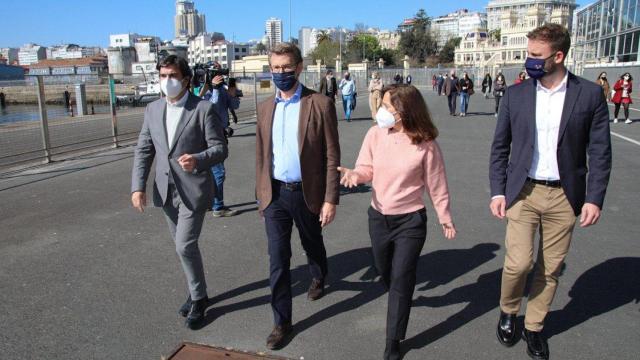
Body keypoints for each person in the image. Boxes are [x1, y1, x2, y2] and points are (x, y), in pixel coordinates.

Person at [489, 24, 612, 360]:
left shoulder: (588, 95)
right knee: (518, 264)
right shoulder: (516, 95)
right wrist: (497, 191)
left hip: (564, 195)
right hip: (522, 192)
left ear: (558, 56)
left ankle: (535, 326)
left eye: (535, 56)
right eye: (528, 53)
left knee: (550, 267)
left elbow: (600, 151)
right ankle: (509, 310)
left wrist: (594, 197)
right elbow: (500, 147)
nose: (528, 60)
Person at [338, 84, 456, 360]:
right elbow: (367, 167)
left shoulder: (425, 143)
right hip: (378, 217)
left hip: (410, 221)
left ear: (404, 111)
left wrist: (444, 216)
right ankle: (399, 298)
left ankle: (393, 340)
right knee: (385, 271)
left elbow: (436, 184)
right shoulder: (375, 134)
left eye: (388, 107)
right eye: (382, 106)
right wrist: (356, 175)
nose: (382, 111)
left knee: (402, 279)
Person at [131, 55, 228, 329]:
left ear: (186, 80)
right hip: (165, 190)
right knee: (182, 248)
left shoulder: (203, 109)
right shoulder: (152, 109)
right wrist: (137, 187)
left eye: (172, 76)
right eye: (162, 75)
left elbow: (220, 148)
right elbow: (144, 150)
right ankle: (198, 291)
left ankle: (198, 299)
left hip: (193, 188)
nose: (166, 81)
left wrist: (198, 158)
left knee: (184, 245)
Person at [255, 43, 340, 350]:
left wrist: (331, 198)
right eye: (275, 68)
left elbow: (332, 154)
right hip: (275, 194)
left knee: (311, 241)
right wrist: (260, 195)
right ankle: (282, 321)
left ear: (300, 67)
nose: (281, 73)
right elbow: (261, 157)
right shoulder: (265, 108)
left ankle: (319, 274)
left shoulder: (319, 104)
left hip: (307, 192)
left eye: (287, 67)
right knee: (278, 259)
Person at [202, 62, 241, 217]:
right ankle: (218, 207)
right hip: (209, 137)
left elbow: (235, 105)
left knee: (213, 172)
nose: (219, 76)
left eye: (221, 73)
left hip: (221, 135)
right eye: (215, 73)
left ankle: (210, 203)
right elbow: (210, 107)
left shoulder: (223, 90)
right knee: (217, 172)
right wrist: (216, 88)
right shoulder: (204, 90)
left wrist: (233, 92)